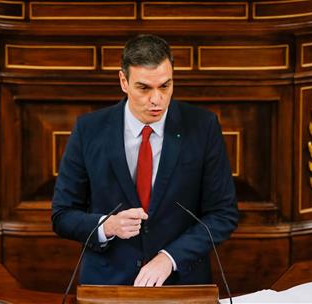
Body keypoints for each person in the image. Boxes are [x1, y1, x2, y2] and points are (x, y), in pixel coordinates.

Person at [52, 34, 238, 287]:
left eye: (165, 86)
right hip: (108, 283)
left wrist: (170, 257)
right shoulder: (89, 130)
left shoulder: (203, 127)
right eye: (144, 88)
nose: (156, 99)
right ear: (123, 81)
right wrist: (107, 226)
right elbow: (62, 215)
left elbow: (223, 214)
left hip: (179, 281)